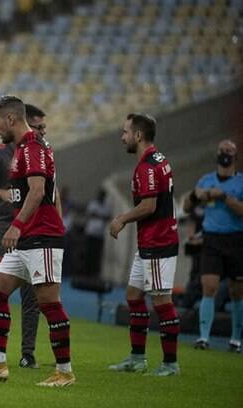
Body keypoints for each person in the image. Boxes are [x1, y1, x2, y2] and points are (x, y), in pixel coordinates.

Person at [0, 96, 74, 387]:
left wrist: (16, 226)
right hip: (26, 238)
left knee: (49, 302)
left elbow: (38, 191)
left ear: (11, 119)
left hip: (41, 237)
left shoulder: (34, 146)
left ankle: (65, 371)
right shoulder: (23, 148)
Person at [0, 103, 51, 369]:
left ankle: (27, 354)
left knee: (33, 295)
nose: (40, 132)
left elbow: (52, 192)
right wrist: (3, 194)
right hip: (4, 228)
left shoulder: (41, 152)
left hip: (33, 230)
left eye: (43, 129)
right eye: (37, 127)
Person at [108, 113, 180, 376]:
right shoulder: (157, 160)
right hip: (150, 242)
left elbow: (149, 206)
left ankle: (171, 363)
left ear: (138, 135)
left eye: (126, 131)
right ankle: (137, 359)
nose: (122, 136)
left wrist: (122, 219)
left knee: (162, 301)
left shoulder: (147, 167)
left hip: (159, 242)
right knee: (133, 295)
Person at [193, 140, 243, 352]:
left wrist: (223, 196)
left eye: (229, 152)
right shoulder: (206, 180)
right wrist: (201, 195)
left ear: (235, 157)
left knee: (237, 291)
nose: (225, 154)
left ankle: (235, 339)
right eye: (222, 151)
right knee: (209, 286)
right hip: (212, 239)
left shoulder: (240, 182)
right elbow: (194, 197)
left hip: (236, 239)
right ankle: (204, 338)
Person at [84, 188, 111, 278]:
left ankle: (95, 274)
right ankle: (86, 273)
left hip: (100, 234)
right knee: (89, 253)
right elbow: (90, 214)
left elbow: (108, 216)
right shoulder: (93, 203)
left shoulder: (106, 206)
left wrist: (98, 214)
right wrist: (101, 215)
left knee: (97, 255)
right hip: (91, 233)